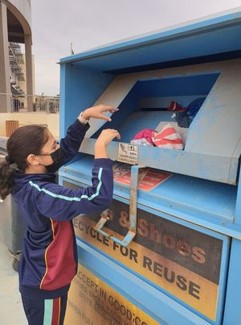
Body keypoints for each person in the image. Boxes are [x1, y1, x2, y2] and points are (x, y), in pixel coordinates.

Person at [0, 104, 120, 325]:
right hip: (45, 282)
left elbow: (63, 152)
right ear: (33, 159)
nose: (57, 147)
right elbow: (97, 197)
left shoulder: (24, 176)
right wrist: (101, 149)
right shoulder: (43, 195)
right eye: (52, 144)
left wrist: (83, 118)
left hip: (39, 275)